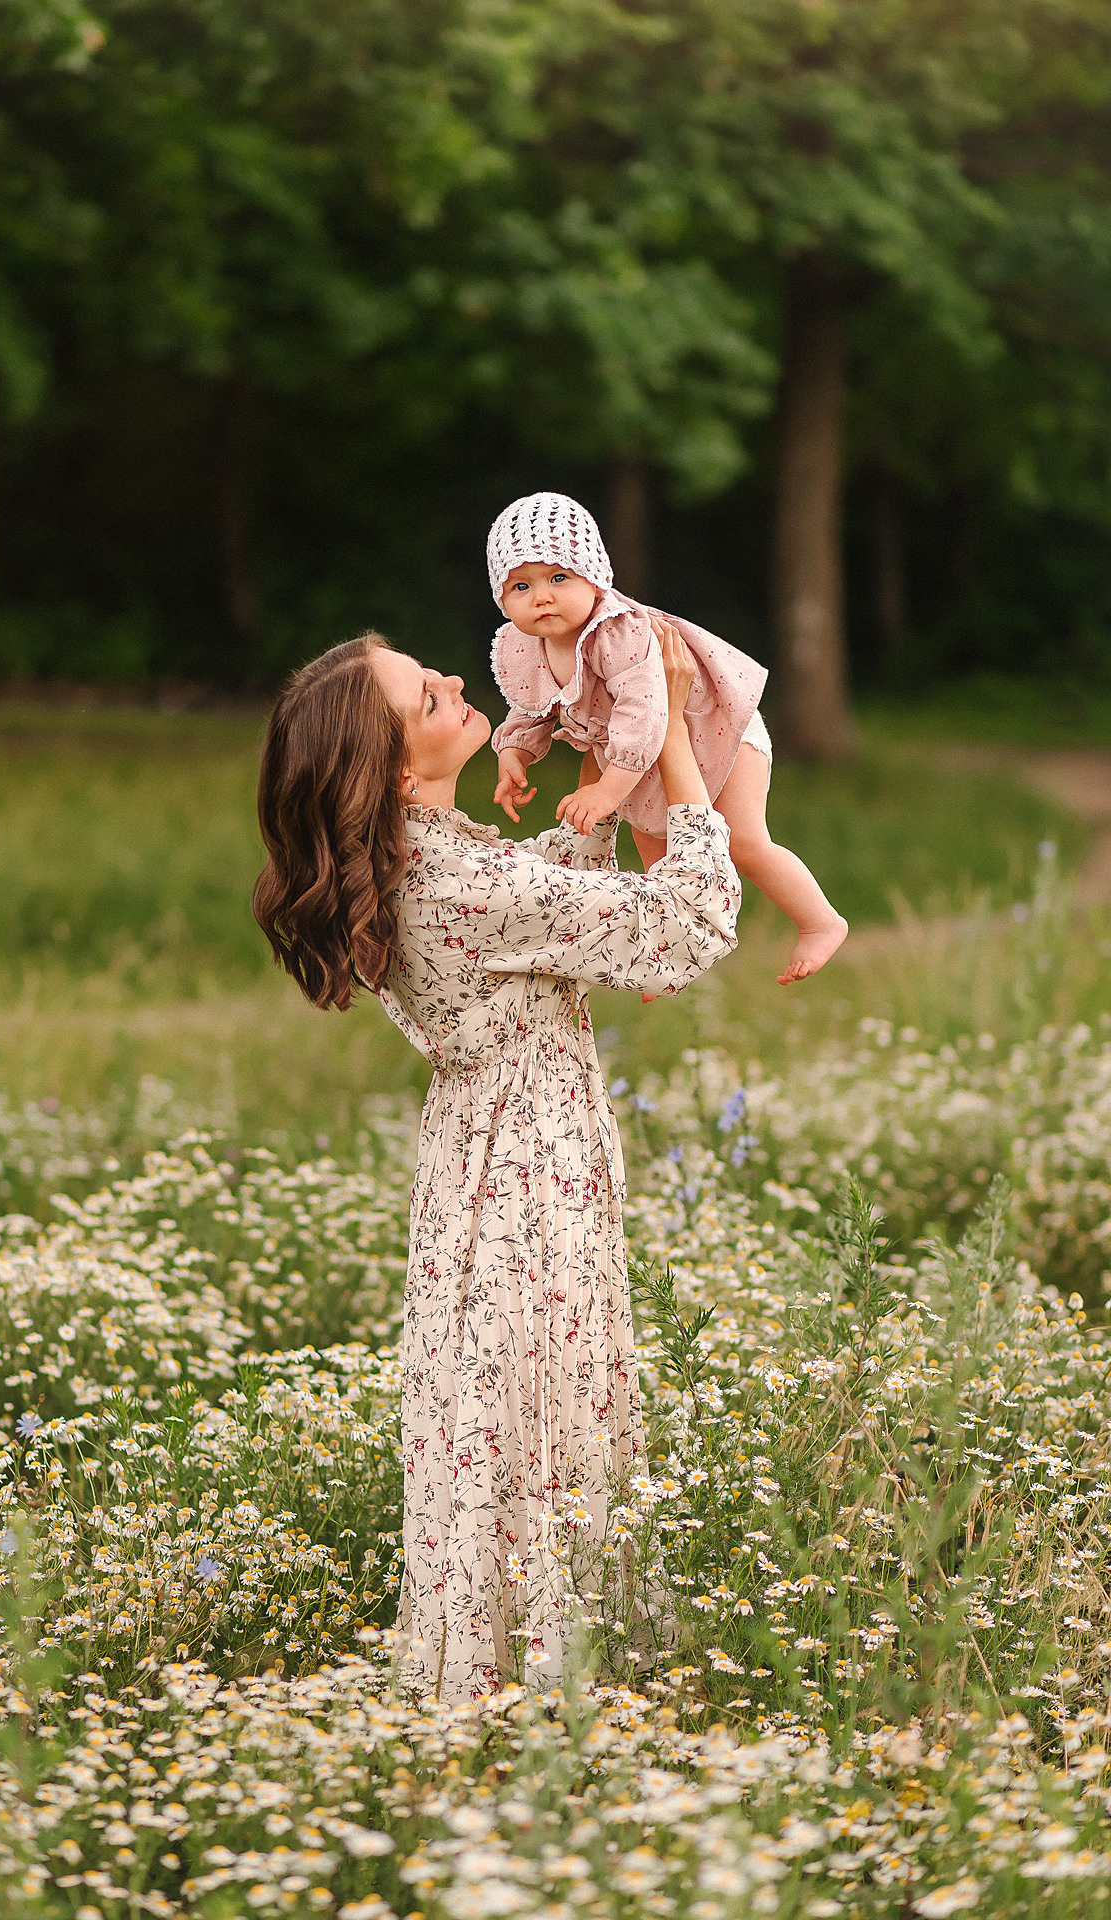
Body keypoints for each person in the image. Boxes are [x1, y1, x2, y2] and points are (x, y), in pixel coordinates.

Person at [254, 621, 739, 1704]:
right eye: (425, 697)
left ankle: (510, 1695)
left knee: (508, 1427)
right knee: (543, 1426)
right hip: (526, 1178)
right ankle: (549, 1705)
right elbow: (689, 927)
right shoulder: (451, 885)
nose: (450, 679)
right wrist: (667, 752)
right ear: (388, 769)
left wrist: (598, 757)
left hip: (486, 1170)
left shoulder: (426, 863)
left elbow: (541, 891)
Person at [489, 490, 848, 985]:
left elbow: (645, 712)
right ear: (502, 599)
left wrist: (607, 791)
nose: (542, 596)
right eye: (520, 586)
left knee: (742, 841)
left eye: (558, 577)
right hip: (640, 754)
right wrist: (514, 753)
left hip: (713, 723)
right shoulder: (526, 645)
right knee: (660, 862)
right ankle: (664, 958)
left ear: (594, 580)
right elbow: (531, 705)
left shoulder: (618, 631)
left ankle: (820, 923)